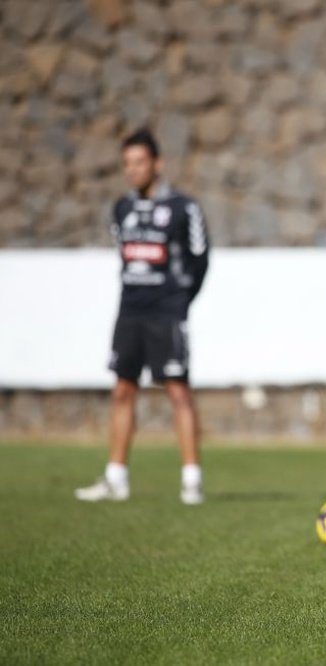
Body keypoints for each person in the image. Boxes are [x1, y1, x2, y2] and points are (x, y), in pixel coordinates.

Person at [75, 128, 210, 506]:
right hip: (130, 310)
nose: (132, 170)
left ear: (157, 163)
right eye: (126, 164)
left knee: (178, 391)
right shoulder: (122, 208)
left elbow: (200, 258)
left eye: (139, 162)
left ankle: (191, 480)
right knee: (122, 389)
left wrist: (181, 301)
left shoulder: (185, 208)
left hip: (167, 313)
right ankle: (116, 478)